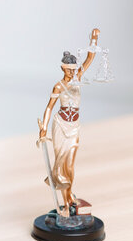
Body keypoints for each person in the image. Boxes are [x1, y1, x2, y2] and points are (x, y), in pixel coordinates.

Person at [38, 28, 100, 215]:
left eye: (74, 70)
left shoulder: (78, 78)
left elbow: (89, 59)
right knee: (62, 163)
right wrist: (44, 130)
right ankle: (66, 203)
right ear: (63, 68)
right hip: (61, 126)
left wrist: (94, 40)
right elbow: (50, 107)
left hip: (74, 127)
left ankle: (69, 194)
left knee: (70, 164)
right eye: (68, 70)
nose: (72, 73)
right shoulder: (59, 85)